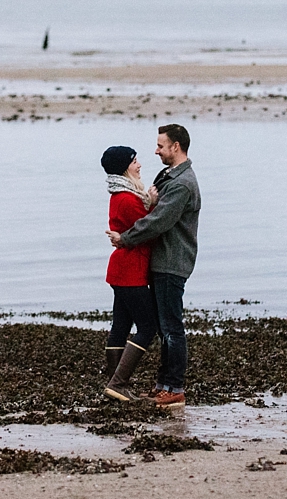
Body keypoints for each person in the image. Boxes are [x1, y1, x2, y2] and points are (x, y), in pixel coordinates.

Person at [107, 124, 200, 410]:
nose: (156, 150)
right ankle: (162, 385)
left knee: (171, 328)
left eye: (161, 145)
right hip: (159, 262)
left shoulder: (183, 183)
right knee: (162, 328)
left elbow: (158, 221)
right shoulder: (170, 175)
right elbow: (152, 210)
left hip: (172, 262)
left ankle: (174, 388)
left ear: (176, 146)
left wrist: (125, 239)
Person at [100, 145, 159, 402]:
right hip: (130, 270)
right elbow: (149, 227)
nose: (139, 165)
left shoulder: (121, 193)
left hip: (121, 270)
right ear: (125, 167)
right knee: (148, 326)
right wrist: (155, 204)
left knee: (121, 325)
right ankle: (118, 383)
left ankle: (114, 385)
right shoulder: (127, 198)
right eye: (135, 161)